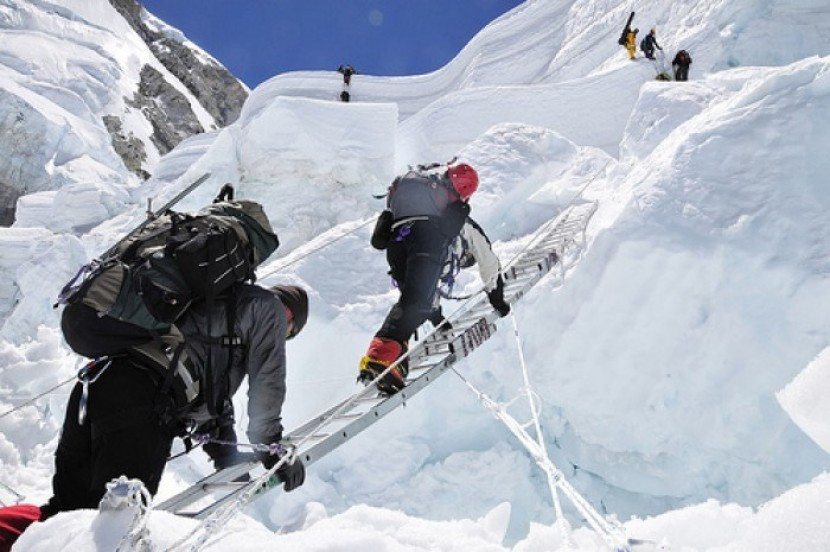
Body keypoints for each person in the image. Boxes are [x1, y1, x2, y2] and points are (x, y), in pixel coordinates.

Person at [0, 283, 309, 548]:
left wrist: (233, 466)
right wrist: (273, 447)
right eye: (288, 333)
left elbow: (214, 408)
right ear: (290, 319)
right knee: (113, 527)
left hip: (96, 384)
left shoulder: (211, 306)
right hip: (141, 399)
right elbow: (268, 383)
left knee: (64, 515)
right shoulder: (267, 310)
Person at [360, 162, 509, 395]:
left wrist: (437, 317)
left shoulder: (421, 201)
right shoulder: (463, 225)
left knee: (413, 303)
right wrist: (497, 298)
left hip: (396, 244)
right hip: (425, 241)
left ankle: (394, 363)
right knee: (415, 302)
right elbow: (489, 261)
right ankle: (380, 358)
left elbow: (428, 293)